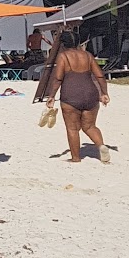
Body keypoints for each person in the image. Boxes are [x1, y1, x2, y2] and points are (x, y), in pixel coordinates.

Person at [45, 31, 110, 164]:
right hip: (91, 95)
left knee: (72, 128)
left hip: (71, 96)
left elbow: (58, 78)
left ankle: (75, 158)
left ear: (63, 44)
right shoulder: (87, 55)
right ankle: (101, 146)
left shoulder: (63, 56)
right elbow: (100, 76)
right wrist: (104, 93)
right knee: (90, 126)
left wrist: (51, 96)